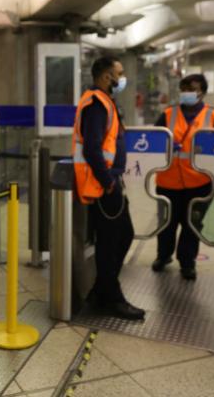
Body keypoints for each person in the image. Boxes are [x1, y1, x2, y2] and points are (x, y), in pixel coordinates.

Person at [72, 56, 145, 320]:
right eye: (120, 73)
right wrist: (108, 182)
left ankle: (100, 291)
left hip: (106, 181)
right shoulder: (96, 104)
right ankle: (111, 297)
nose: (122, 78)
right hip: (101, 185)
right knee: (113, 240)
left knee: (118, 237)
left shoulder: (103, 102)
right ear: (106, 77)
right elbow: (92, 148)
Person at [153, 73, 214, 280]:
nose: (187, 93)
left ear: (202, 92)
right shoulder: (168, 114)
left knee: (191, 224)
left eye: (192, 89)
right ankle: (163, 256)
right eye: (184, 89)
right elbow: (153, 141)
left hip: (199, 183)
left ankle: (187, 263)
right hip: (168, 181)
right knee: (166, 223)